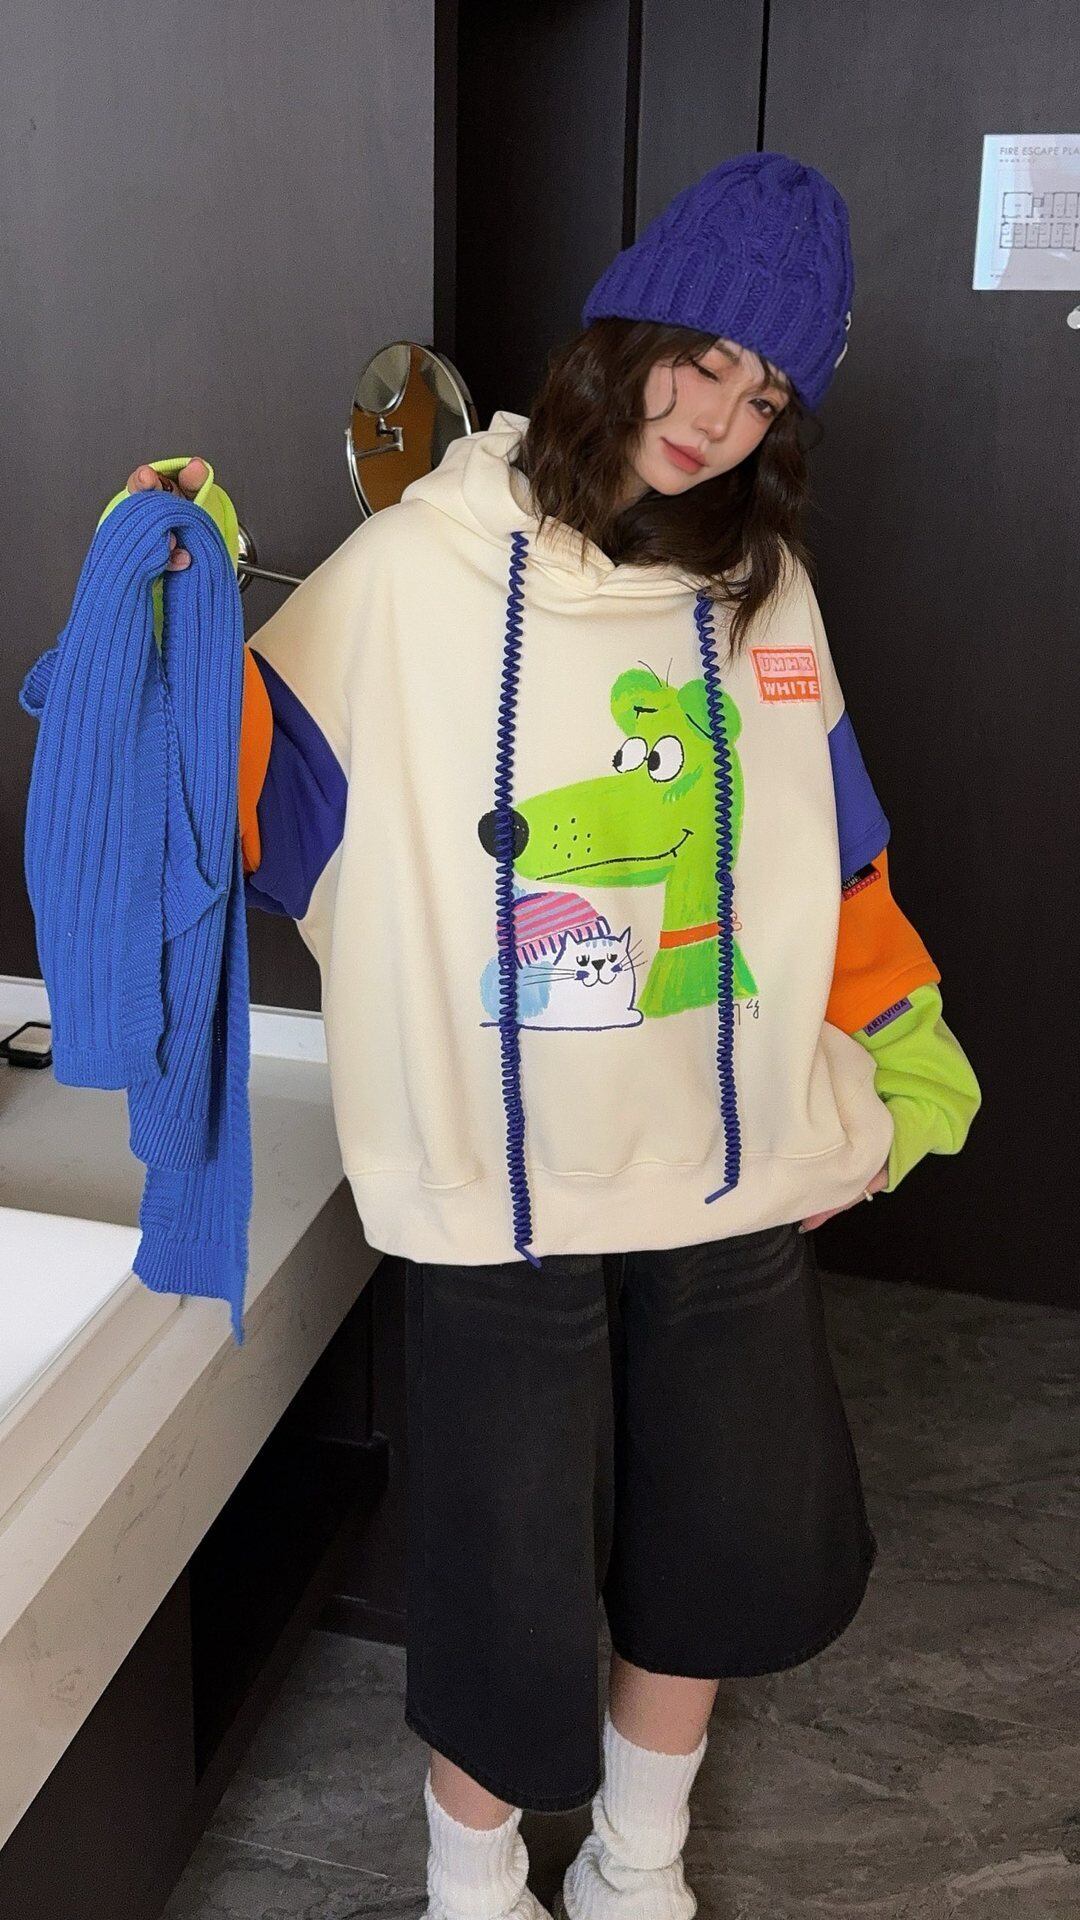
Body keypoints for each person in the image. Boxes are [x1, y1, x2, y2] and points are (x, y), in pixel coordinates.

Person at [103, 152, 980, 1920]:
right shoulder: (420, 564)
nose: (718, 419)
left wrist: (907, 1047)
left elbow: (834, 851)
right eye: (703, 360)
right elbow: (265, 811)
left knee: (713, 1544)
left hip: (728, 1166)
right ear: (624, 337)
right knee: (502, 1582)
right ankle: (476, 1881)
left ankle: (640, 1865)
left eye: (766, 393)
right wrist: (170, 606)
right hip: (494, 1190)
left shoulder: (766, 592)